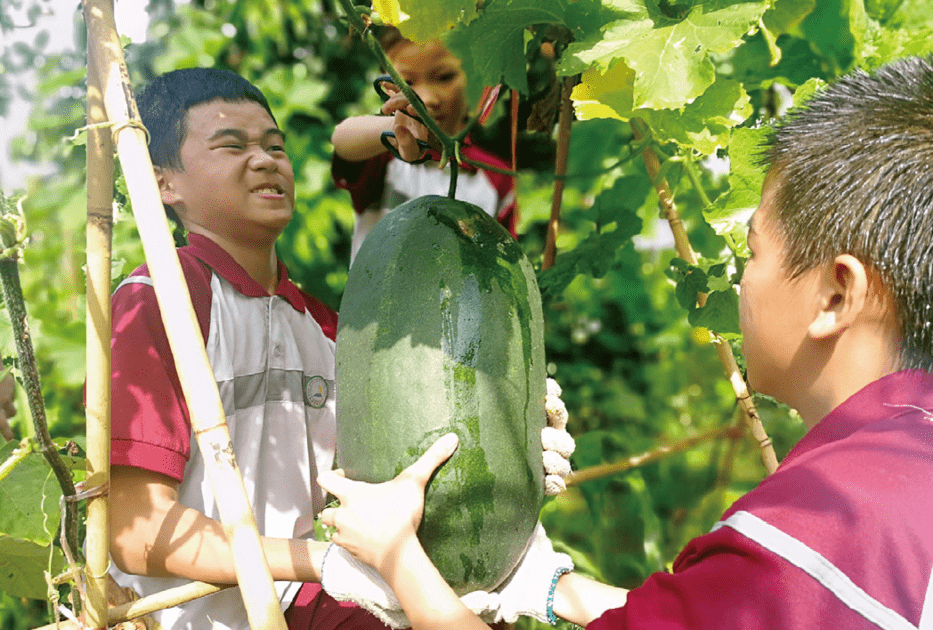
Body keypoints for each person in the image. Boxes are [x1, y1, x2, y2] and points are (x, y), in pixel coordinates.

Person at [317, 55, 933, 629]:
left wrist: (399, 555)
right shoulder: (894, 479)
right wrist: (546, 585)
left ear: (835, 295)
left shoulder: (811, 538)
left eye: (752, 253)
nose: (740, 280)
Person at [107, 67, 572, 630]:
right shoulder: (156, 303)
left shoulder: (328, 327)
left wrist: (510, 447)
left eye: (274, 146)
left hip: (302, 604)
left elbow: (382, 486)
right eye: (232, 147)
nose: (265, 160)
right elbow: (134, 530)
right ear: (164, 184)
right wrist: (325, 561)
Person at [331, 27, 517, 263]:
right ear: (386, 88)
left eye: (444, 77)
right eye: (406, 82)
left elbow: (503, 266)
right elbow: (342, 139)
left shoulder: (497, 178)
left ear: (477, 82)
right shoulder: (384, 155)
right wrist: (395, 128)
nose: (426, 98)